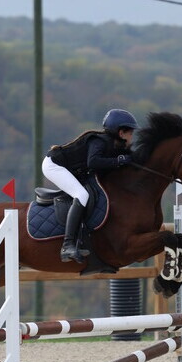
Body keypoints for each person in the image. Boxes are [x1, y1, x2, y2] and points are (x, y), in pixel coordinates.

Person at [42, 108, 138, 263]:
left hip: (71, 168)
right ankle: (67, 245)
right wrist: (119, 161)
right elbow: (93, 162)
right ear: (121, 133)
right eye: (130, 133)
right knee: (81, 195)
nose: (132, 137)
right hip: (54, 165)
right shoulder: (100, 141)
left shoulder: (114, 145)